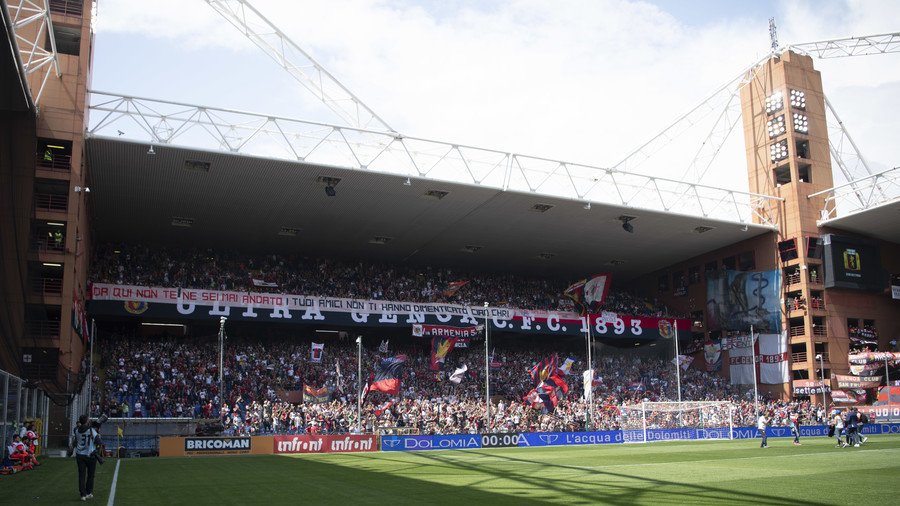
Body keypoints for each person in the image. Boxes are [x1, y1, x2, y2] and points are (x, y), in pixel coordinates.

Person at [71, 414, 101, 501]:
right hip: (90, 454)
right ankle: (88, 492)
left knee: (81, 475)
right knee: (90, 475)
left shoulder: (76, 430)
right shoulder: (91, 430)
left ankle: (82, 495)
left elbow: (76, 441)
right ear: (86, 421)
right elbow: (98, 441)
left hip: (80, 455)